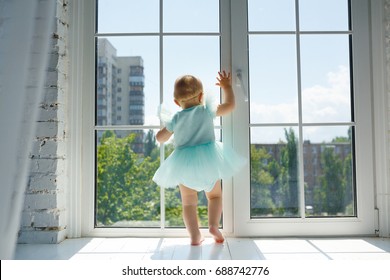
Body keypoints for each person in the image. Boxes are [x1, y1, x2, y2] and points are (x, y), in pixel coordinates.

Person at [152, 71, 245, 246]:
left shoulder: (176, 118)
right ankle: (213, 226)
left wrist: (165, 128)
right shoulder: (206, 111)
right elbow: (230, 106)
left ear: (176, 102)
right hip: (209, 161)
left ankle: (194, 235)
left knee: (188, 203)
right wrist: (226, 87)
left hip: (183, 164)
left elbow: (160, 138)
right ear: (202, 96)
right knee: (215, 197)